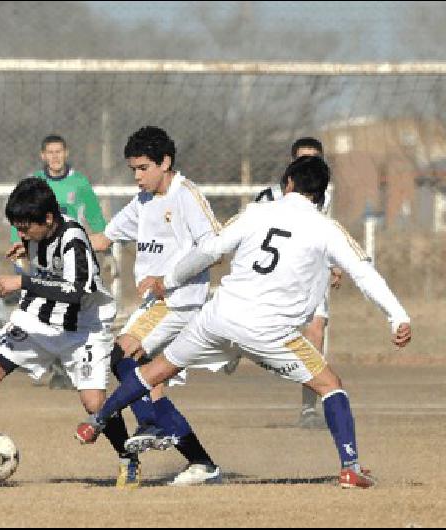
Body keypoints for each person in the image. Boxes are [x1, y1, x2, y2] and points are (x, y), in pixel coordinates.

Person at [75, 156, 412, 489]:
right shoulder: (326, 227)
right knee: (330, 385)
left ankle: (96, 421)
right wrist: (397, 315)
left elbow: (210, 249)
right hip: (270, 333)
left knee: (153, 372)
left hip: (219, 318)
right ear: (321, 194)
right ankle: (350, 467)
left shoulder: (257, 212)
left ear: (288, 184)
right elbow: (362, 271)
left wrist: (170, 278)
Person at [0, 177, 142, 488]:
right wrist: (28, 245)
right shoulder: (40, 232)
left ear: (49, 219)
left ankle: (128, 459)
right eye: (17, 227)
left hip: (83, 328)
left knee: (94, 403)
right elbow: (43, 253)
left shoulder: (74, 240)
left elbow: (74, 291)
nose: (21, 232)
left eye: (25, 228)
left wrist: (22, 282)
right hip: (37, 318)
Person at [89, 126, 224, 486]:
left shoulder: (188, 196)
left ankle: (148, 422)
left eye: (144, 168)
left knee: (122, 357)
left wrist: (169, 280)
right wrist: (45, 242)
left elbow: (212, 248)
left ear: (166, 163)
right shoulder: (143, 201)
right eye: (133, 169)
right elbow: (103, 239)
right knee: (148, 379)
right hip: (155, 305)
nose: (137, 176)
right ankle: (201, 462)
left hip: (177, 303)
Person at [252, 137, 341, 428]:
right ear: (291, 163)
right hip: (274, 279)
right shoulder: (268, 197)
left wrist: (333, 263)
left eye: (315, 158)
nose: (309, 163)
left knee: (315, 332)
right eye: (303, 158)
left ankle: (308, 409)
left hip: (311, 276)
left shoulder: (322, 198)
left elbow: (325, 236)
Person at [12, 135, 108, 390]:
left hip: (69, 254)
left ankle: (66, 365)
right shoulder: (34, 183)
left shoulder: (80, 183)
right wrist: (20, 247)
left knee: (69, 303)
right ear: (43, 155)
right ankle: (44, 360)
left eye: (59, 152)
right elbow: (21, 221)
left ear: (66, 153)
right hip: (40, 254)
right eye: (50, 152)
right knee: (40, 305)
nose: (55, 157)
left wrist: (101, 244)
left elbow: (96, 219)